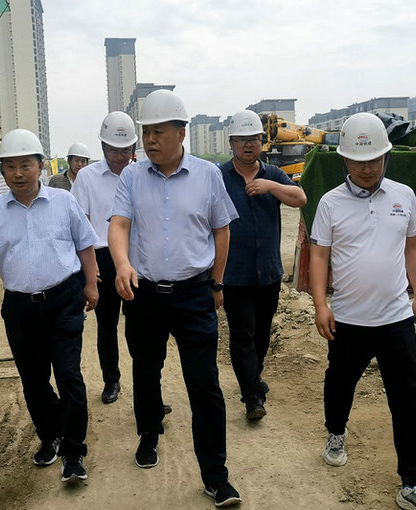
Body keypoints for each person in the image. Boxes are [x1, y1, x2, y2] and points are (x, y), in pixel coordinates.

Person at [108, 89, 242, 507]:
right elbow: (118, 225)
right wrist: (122, 265)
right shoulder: (132, 177)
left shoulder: (207, 175)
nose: (150, 140)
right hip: (145, 294)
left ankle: (216, 476)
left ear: (181, 133)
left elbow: (221, 230)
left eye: (158, 132)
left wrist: (217, 283)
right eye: (146, 132)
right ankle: (149, 432)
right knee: (146, 370)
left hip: (193, 295)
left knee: (204, 385)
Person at [309, 112, 416, 510]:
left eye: (375, 160)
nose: (367, 169)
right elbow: (319, 256)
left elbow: (414, 246)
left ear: (386, 156)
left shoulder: (404, 196)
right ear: (345, 160)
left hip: (396, 319)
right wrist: (321, 305)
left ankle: (412, 482)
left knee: (406, 399)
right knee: (339, 384)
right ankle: (336, 432)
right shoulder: (330, 203)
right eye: (358, 161)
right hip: (348, 320)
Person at [0, 128, 99, 485]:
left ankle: (74, 451)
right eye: (10, 166)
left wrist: (91, 284)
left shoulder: (63, 201)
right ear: (2, 170)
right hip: (20, 308)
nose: (18, 173)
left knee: (68, 375)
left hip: (63, 300)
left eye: (25, 165)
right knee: (34, 379)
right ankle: (51, 436)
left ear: (41, 166)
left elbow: (85, 243)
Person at [219, 110, 307, 421]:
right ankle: (252, 395)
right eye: (242, 140)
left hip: (268, 272)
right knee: (242, 333)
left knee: (262, 333)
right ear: (232, 142)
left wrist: (270, 187)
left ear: (261, 142)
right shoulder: (219, 177)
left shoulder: (273, 174)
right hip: (234, 274)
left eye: (254, 139)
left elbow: (300, 198)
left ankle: (253, 377)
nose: (248, 145)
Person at [71, 112, 136, 405]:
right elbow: (80, 223)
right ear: (103, 147)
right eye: (114, 150)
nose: (120, 156)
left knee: (140, 324)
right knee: (107, 324)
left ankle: (146, 383)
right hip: (101, 258)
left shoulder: (141, 174)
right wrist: (89, 268)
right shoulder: (87, 178)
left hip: (135, 257)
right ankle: (112, 380)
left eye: (126, 150)